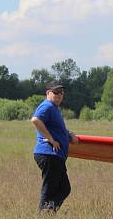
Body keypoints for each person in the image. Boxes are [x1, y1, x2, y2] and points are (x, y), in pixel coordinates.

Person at [31, 82, 79, 212]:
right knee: (50, 188)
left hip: (55, 155)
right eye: (55, 92)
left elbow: (54, 127)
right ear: (48, 93)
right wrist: (51, 139)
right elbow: (35, 120)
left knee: (64, 188)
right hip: (49, 154)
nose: (59, 95)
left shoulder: (53, 109)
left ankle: (48, 213)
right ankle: (42, 217)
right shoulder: (47, 106)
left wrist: (68, 134)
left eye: (61, 93)